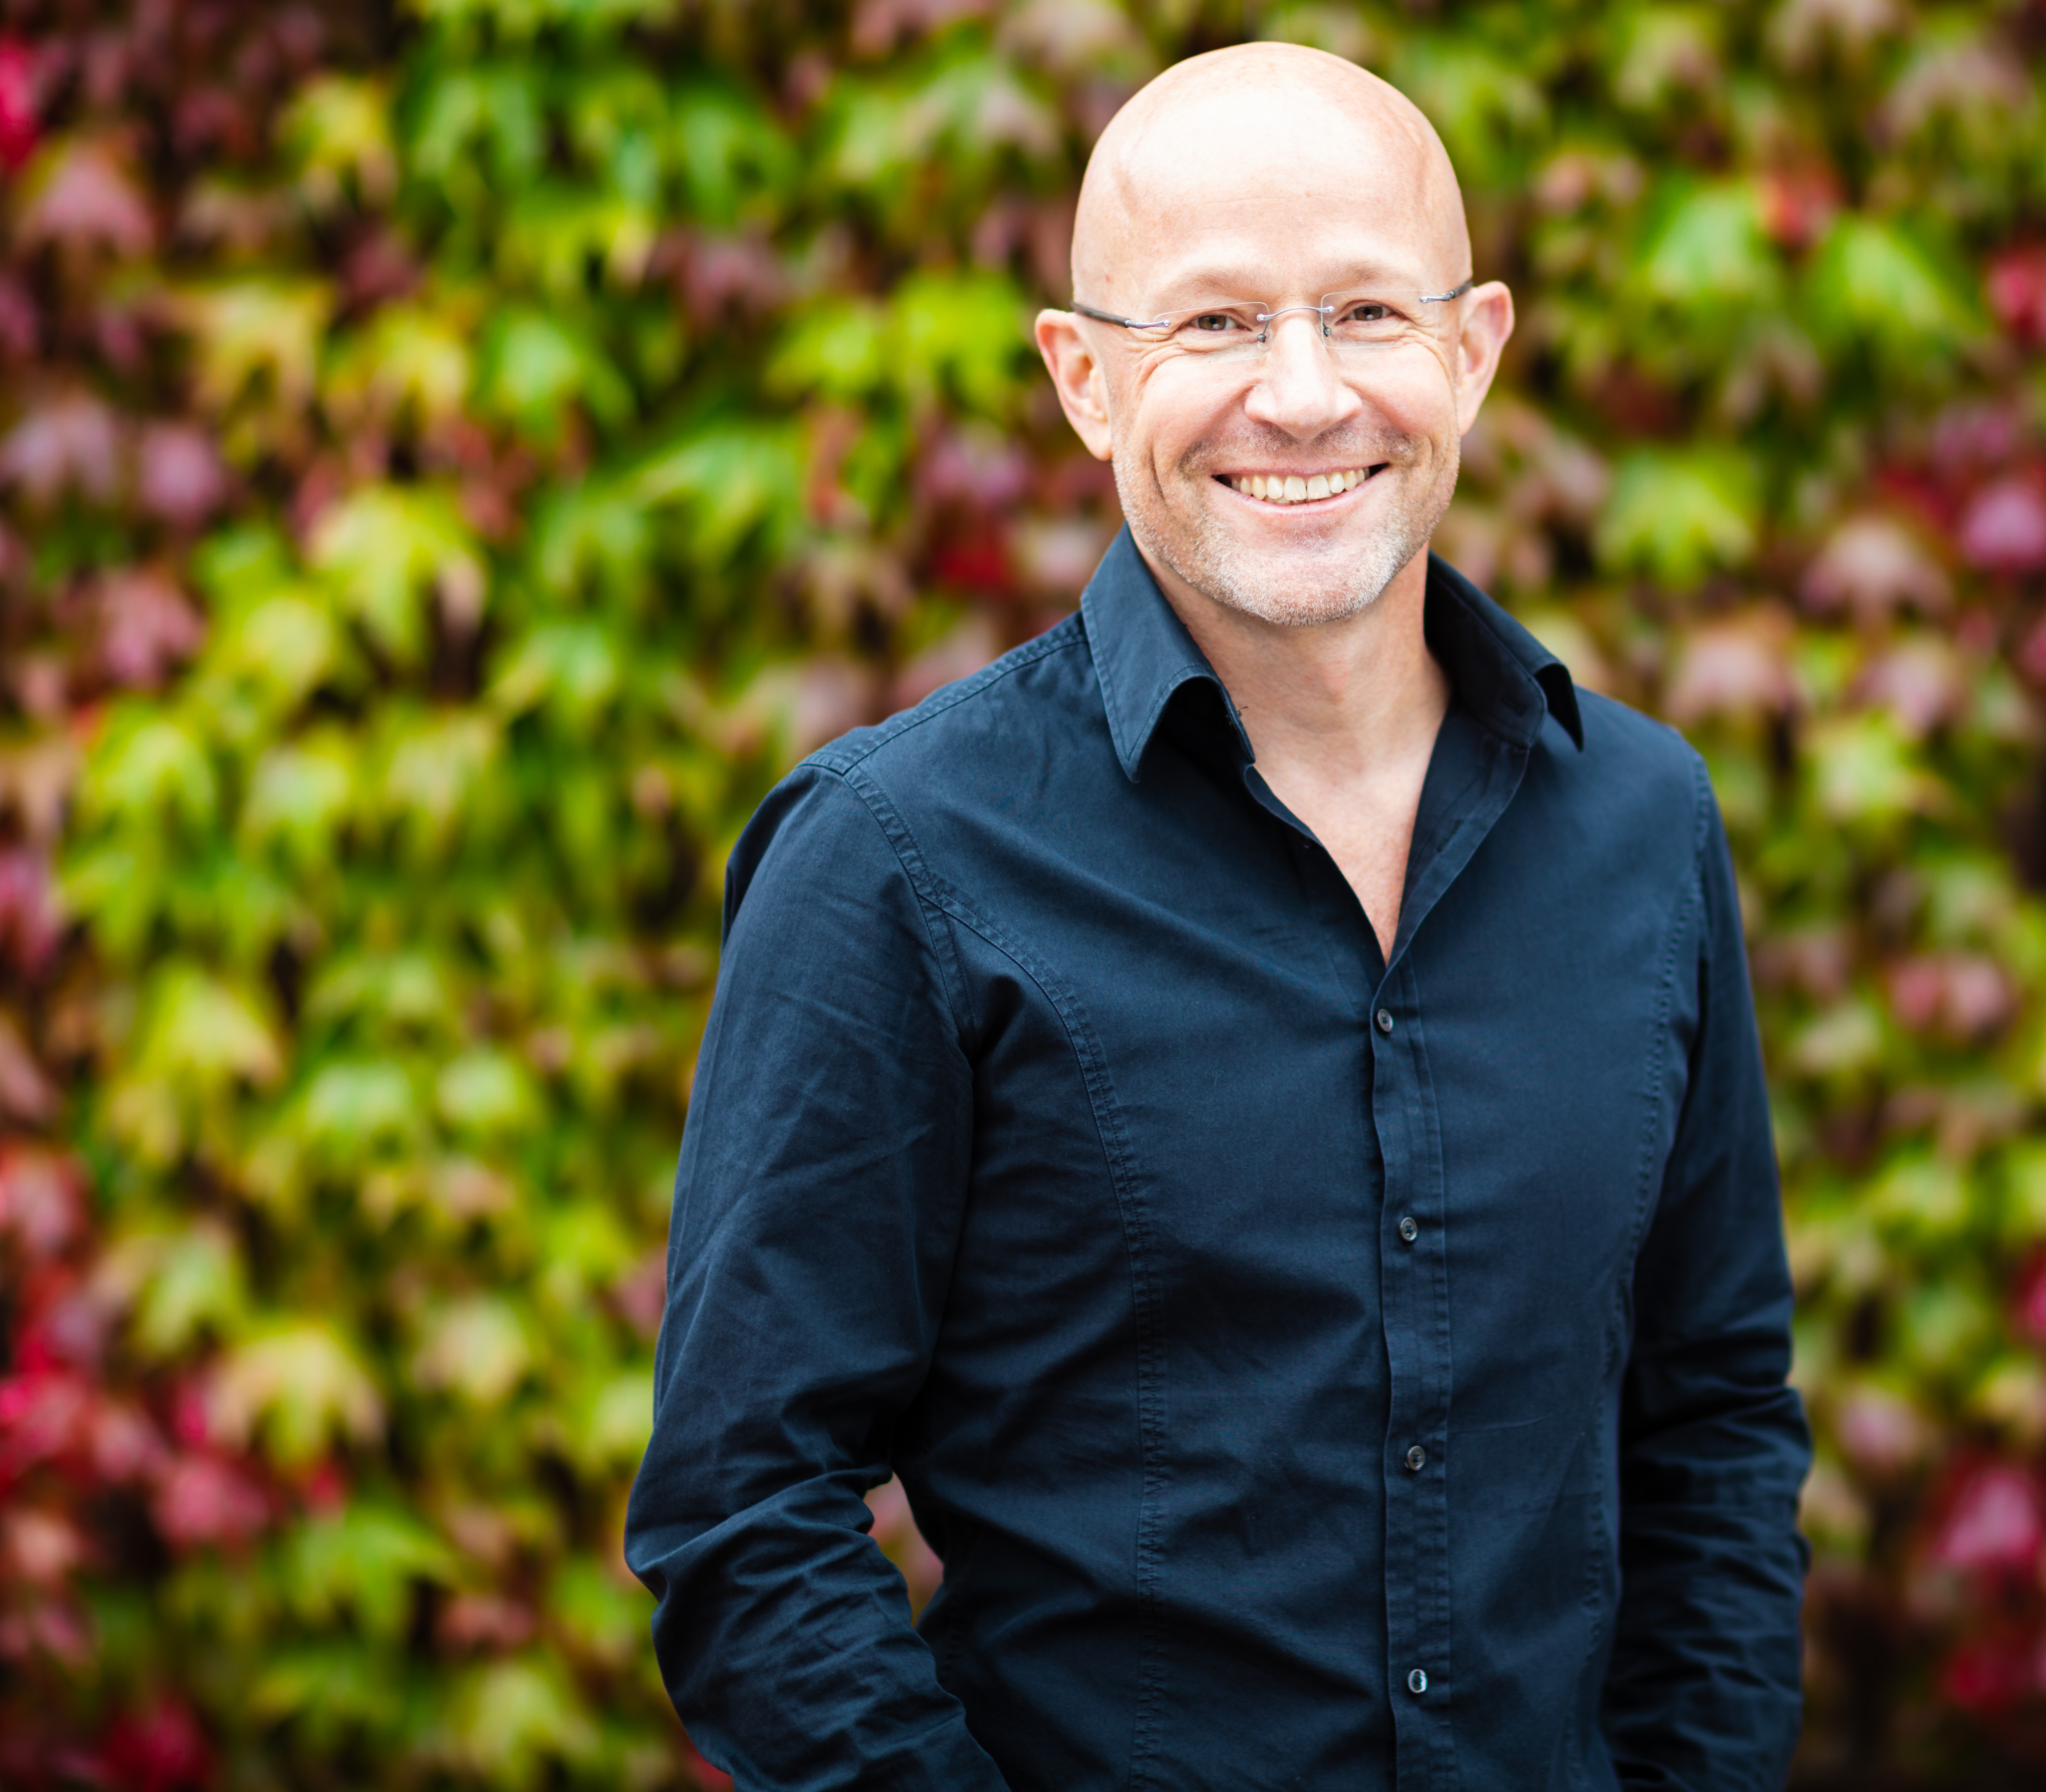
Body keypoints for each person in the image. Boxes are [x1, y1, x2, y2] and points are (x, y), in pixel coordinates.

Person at [626, 41, 1810, 1792]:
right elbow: (745, 1509)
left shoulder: (1644, 823)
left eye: (1369, 311)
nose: (1305, 394)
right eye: (1216, 323)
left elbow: (1714, 1419)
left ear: (1475, 350)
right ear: (1085, 379)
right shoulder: (891, 859)